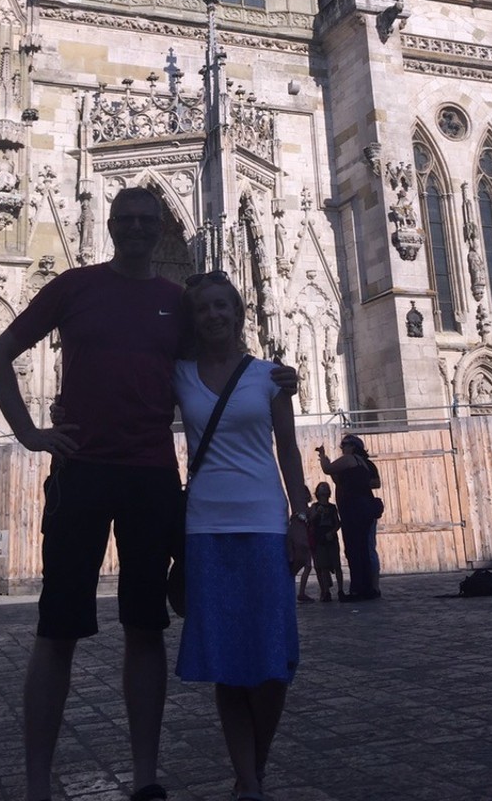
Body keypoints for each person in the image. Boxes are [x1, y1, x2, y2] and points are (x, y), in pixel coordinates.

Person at [0, 186, 295, 801]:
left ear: (159, 231)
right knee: (57, 629)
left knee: (145, 626)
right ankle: (38, 784)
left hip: (153, 477)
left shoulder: (175, 303)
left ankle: (147, 777)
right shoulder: (74, 286)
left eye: (145, 221)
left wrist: (270, 374)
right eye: (125, 219)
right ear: (108, 224)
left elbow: (216, 351)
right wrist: (31, 434)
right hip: (83, 474)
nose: (135, 229)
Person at [173, 272, 308, 801]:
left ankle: (258, 762)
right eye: (203, 308)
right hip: (206, 527)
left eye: (221, 306)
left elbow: (291, 450)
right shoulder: (178, 375)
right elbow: (138, 411)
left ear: (239, 313)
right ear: (195, 318)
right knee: (228, 665)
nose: (213, 315)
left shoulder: (270, 377)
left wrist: (300, 517)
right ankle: (247, 778)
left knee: (271, 665)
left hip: (265, 524)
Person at [317, 434, 382, 601]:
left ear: (352, 447)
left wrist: (323, 457)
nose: (342, 448)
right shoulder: (361, 464)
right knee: (361, 549)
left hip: (354, 509)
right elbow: (339, 480)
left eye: (344, 445)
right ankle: (366, 588)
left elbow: (328, 469)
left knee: (355, 549)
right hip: (361, 508)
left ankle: (358, 590)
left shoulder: (350, 459)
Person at [309, 481, 347, 602]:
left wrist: (333, 532)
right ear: (318, 492)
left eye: (326, 487)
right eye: (322, 487)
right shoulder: (314, 507)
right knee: (323, 566)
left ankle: (341, 590)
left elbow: (337, 522)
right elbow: (311, 521)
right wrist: (316, 514)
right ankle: (326, 592)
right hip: (320, 538)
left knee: (337, 565)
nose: (324, 488)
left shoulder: (332, 507)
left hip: (331, 537)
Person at [294, 485, 315, 603]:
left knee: (307, 565)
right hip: (304, 538)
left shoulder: (305, 509)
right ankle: (301, 592)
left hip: (308, 538)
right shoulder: (302, 510)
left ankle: (301, 592)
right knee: (305, 565)